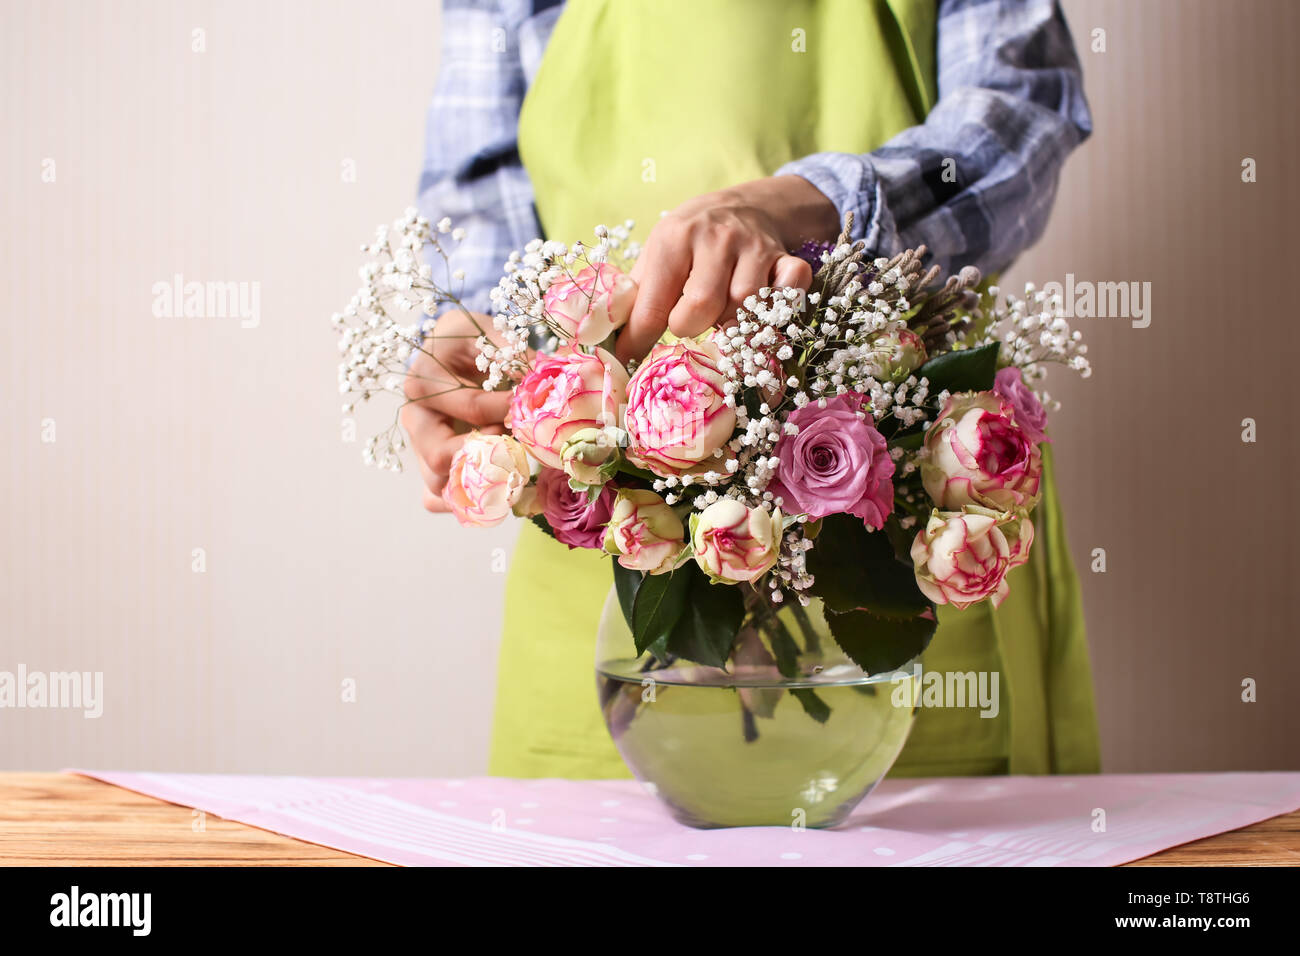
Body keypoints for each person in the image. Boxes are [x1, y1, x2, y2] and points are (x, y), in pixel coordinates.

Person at [404, 0, 1101, 779]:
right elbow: (480, 193)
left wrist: (807, 206)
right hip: (600, 572)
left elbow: (1021, 112)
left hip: (901, 563)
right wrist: (472, 342)